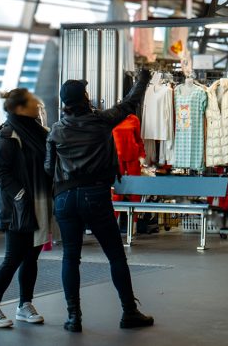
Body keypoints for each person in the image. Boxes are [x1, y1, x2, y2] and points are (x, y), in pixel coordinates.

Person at [46, 68, 154, 333]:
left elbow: (49, 168)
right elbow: (129, 103)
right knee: (116, 256)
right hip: (95, 194)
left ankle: (74, 318)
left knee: (70, 258)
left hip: (64, 199)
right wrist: (142, 80)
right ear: (84, 97)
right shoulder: (102, 121)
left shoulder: (56, 131)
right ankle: (129, 311)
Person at [0, 89, 53, 329]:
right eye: (33, 102)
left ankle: (25, 304)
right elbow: (0, 172)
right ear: (20, 108)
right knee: (12, 258)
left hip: (39, 203)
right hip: (18, 208)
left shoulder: (40, 132)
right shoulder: (8, 134)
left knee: (31, 257)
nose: (38, 105)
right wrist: (21, 195)